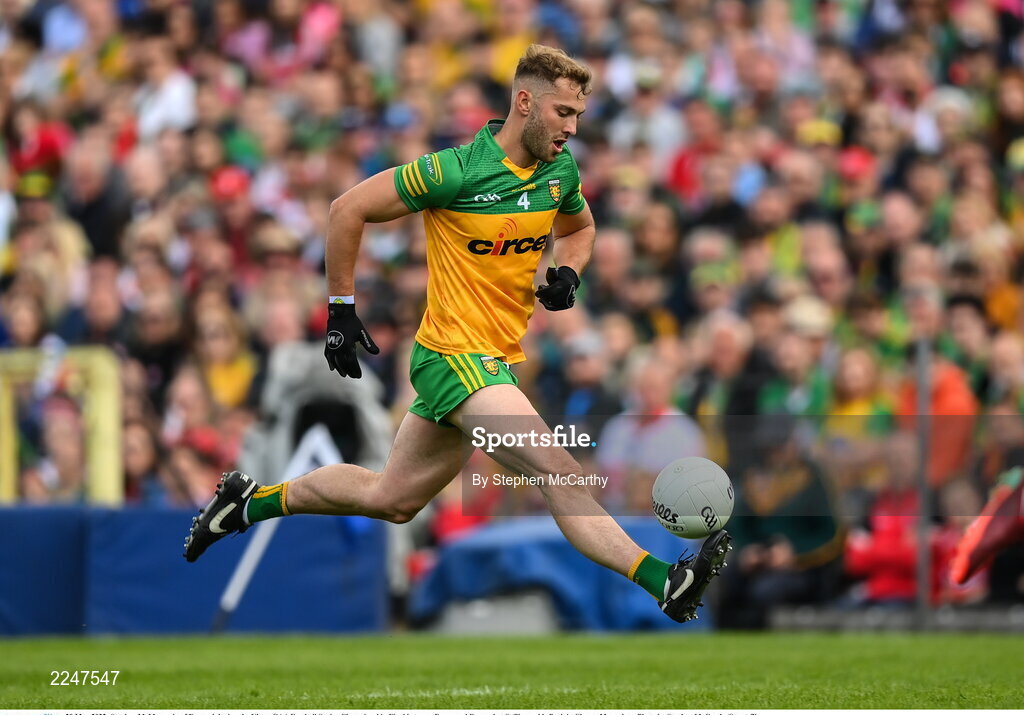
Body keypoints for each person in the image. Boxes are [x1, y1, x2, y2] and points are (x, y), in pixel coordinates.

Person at [183, 45, 731, 623]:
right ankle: (665, 579)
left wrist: (568, 270)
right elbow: (347, 209)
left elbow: (582, 228)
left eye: (578, 116)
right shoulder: (455, 171)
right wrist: (340, 309)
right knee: (560, 471)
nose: (572, 127)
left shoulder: (558, 171)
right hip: (454, 357)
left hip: (489, 361)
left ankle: (248, 503)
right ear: (525, 103)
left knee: (391, 499)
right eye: (564, 112)